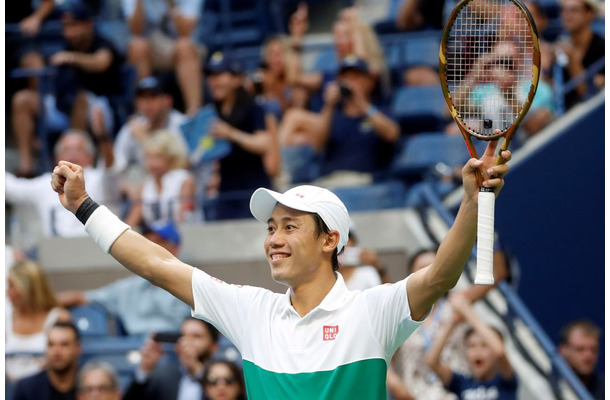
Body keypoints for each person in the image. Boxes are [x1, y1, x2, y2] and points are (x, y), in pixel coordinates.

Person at [50, 133, 510, 398]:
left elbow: (441, 276)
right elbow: (158, 265)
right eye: (271, 228)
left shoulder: (373, 311)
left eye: (290, 227)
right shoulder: (252, 312)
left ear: (330, 240)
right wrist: (85, 207)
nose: (273, 239)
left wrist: (471, 201)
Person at [10, 2, 123, 177]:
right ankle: (27, 167)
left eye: (74, 25)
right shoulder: (67, 43)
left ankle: (73, 169)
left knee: (81, 98)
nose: (68, 31)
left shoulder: (101, 43)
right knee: (22, 99)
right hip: (62, 106)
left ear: (87, 25)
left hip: (100, 110)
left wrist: (72, 58)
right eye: (66, 26)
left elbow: (101, 62)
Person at [279, 56, 399, 188]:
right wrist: (329, 105)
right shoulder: (333, 114)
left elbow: (392, 134)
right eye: (345, 78)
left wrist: (361, 103)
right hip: (329, 181)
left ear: (369, 82)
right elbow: (319, 145)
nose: (350, 83)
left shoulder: (379, 111)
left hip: (364, 182)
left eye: (356, 77)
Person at [57, 221, 191, 336]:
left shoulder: (191, 283)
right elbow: (81, 297)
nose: (150, 248)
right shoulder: (129, 288)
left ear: (174, 248)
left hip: (175, 349)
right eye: (147, 242)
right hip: (134, 349)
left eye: (157, 242)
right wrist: (44, 307)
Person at [6, 129, 120, 253]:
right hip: (55, 252)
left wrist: (103, 136)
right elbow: (10, 188)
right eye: (66, 150)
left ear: (90, 157)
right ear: (57, 158)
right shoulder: (44, 184)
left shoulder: (100, 179)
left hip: (96, 249)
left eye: (78, 150)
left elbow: (111, 169)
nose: (72, 155)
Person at [203, 52, 274, 219]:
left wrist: (231, 134)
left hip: (253, 189)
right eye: (211, 76)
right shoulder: (211, 112)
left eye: (219, 75)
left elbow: (264, 144)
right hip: (227, 191)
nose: (213, 82)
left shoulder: (252, 106)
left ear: (236, 79)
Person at [425, 292, 517, 400]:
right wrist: (453, 322)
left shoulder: (505, 382)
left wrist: (467, 311)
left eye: (484, 346)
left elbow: (500, 352)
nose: (477, 351)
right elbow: (431, 361)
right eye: (472, 346)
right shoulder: (462, 383)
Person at [123, 0, 204, 115]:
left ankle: (195, 113)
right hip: (151, 49)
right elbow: (135, 30)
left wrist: (171, 3)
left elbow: (185, 31)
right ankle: (142, 113)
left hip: (178, 46)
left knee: (185, 47)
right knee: (137, 46)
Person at [113, 75, 189, 182]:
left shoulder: (183, 125)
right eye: (142, 98)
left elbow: (183, 165)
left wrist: (144, 140)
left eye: (153, 97)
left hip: (178, 188)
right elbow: (117, 166)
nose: (147, 103)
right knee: (131, 175)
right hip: (147, 190)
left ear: (168, 101)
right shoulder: (131, 128)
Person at [6, 260, 72, 382]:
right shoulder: (5, 319)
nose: (7, 292)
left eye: (12, 285)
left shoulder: (59, 317)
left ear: (28, 288)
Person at [123, 318, 220, 400]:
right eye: (183, 336)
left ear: (214, 346)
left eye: (196, 337)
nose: (187, 342)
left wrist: (196, 370)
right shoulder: (164, 376)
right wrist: (145, 369)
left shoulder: (226, 374)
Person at [123, 130, 197, 228]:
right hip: (153, 239)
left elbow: (185, 217)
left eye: (157, 157)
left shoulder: (184, 180)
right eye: (148, 157)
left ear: (170, 158)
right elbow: (132, 221)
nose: (152, 163)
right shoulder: (145, 185)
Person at [11, 321, 82, 400]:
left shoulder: (92, 388)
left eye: (64, 344)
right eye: (51, 344)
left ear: (78, 348)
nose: (57, 351)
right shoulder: (26, 389)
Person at [556, 0, 605, 110]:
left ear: (589, 14)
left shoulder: (603, 49)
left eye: (574, 10)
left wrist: (572, 61)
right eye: (564, 10)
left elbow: (588, 94)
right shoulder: (558, 48)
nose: (566, 15)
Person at [558, 319, 604, 399]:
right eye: (580, 349)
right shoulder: (547, 383)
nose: (588, 356)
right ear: (563, 350)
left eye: (593, 350)